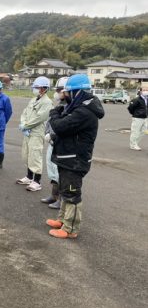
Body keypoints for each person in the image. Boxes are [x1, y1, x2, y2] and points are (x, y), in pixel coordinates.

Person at [46, 74, 104, 239]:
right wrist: (60, 111)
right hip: (67, 157)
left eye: (67, 92)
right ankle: (63, 220)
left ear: (76, 92)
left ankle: (70, 229)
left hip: (75, 160)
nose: (64, 95)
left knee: (72, 193)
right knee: (66, 191)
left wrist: (54, 113)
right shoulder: (77, 107)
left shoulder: (84, 112)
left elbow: (59, 126)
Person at [16, 76, 53, 191]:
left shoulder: (47, 102)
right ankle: (29, 176)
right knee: (27, 154)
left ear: (44, 88)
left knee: (35, 155)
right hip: (28, 132)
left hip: (37, 133)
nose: (35, 89)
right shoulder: (33, 99)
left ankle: (37, 181)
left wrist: (26, 125)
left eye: (37, 87)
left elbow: (40, 118)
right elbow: (25, 112)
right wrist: (23, 123)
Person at [41, 77, 68, 209]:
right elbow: (50, 121)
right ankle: (54, 195)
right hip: (52, 143)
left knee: (60, 172)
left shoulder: (69, 107)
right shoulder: (60, 105)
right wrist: (47, 133)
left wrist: (53, 136)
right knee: (52, 170)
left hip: (60, 144)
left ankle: (61, 199)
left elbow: (63, 127)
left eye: (59, 90)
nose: (56, 92)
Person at [127, 84, 147, 151]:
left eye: (147, 90)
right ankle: (132, 145)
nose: (146, 91)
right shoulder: (136, 99)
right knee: (135, 132)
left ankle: (135, 143)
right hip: (138, 118)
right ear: (140, 91)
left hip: (145, 118)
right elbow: (130, 108)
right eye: (144, 90)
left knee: (143, 131)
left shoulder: (146, 99)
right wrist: (135, 114)